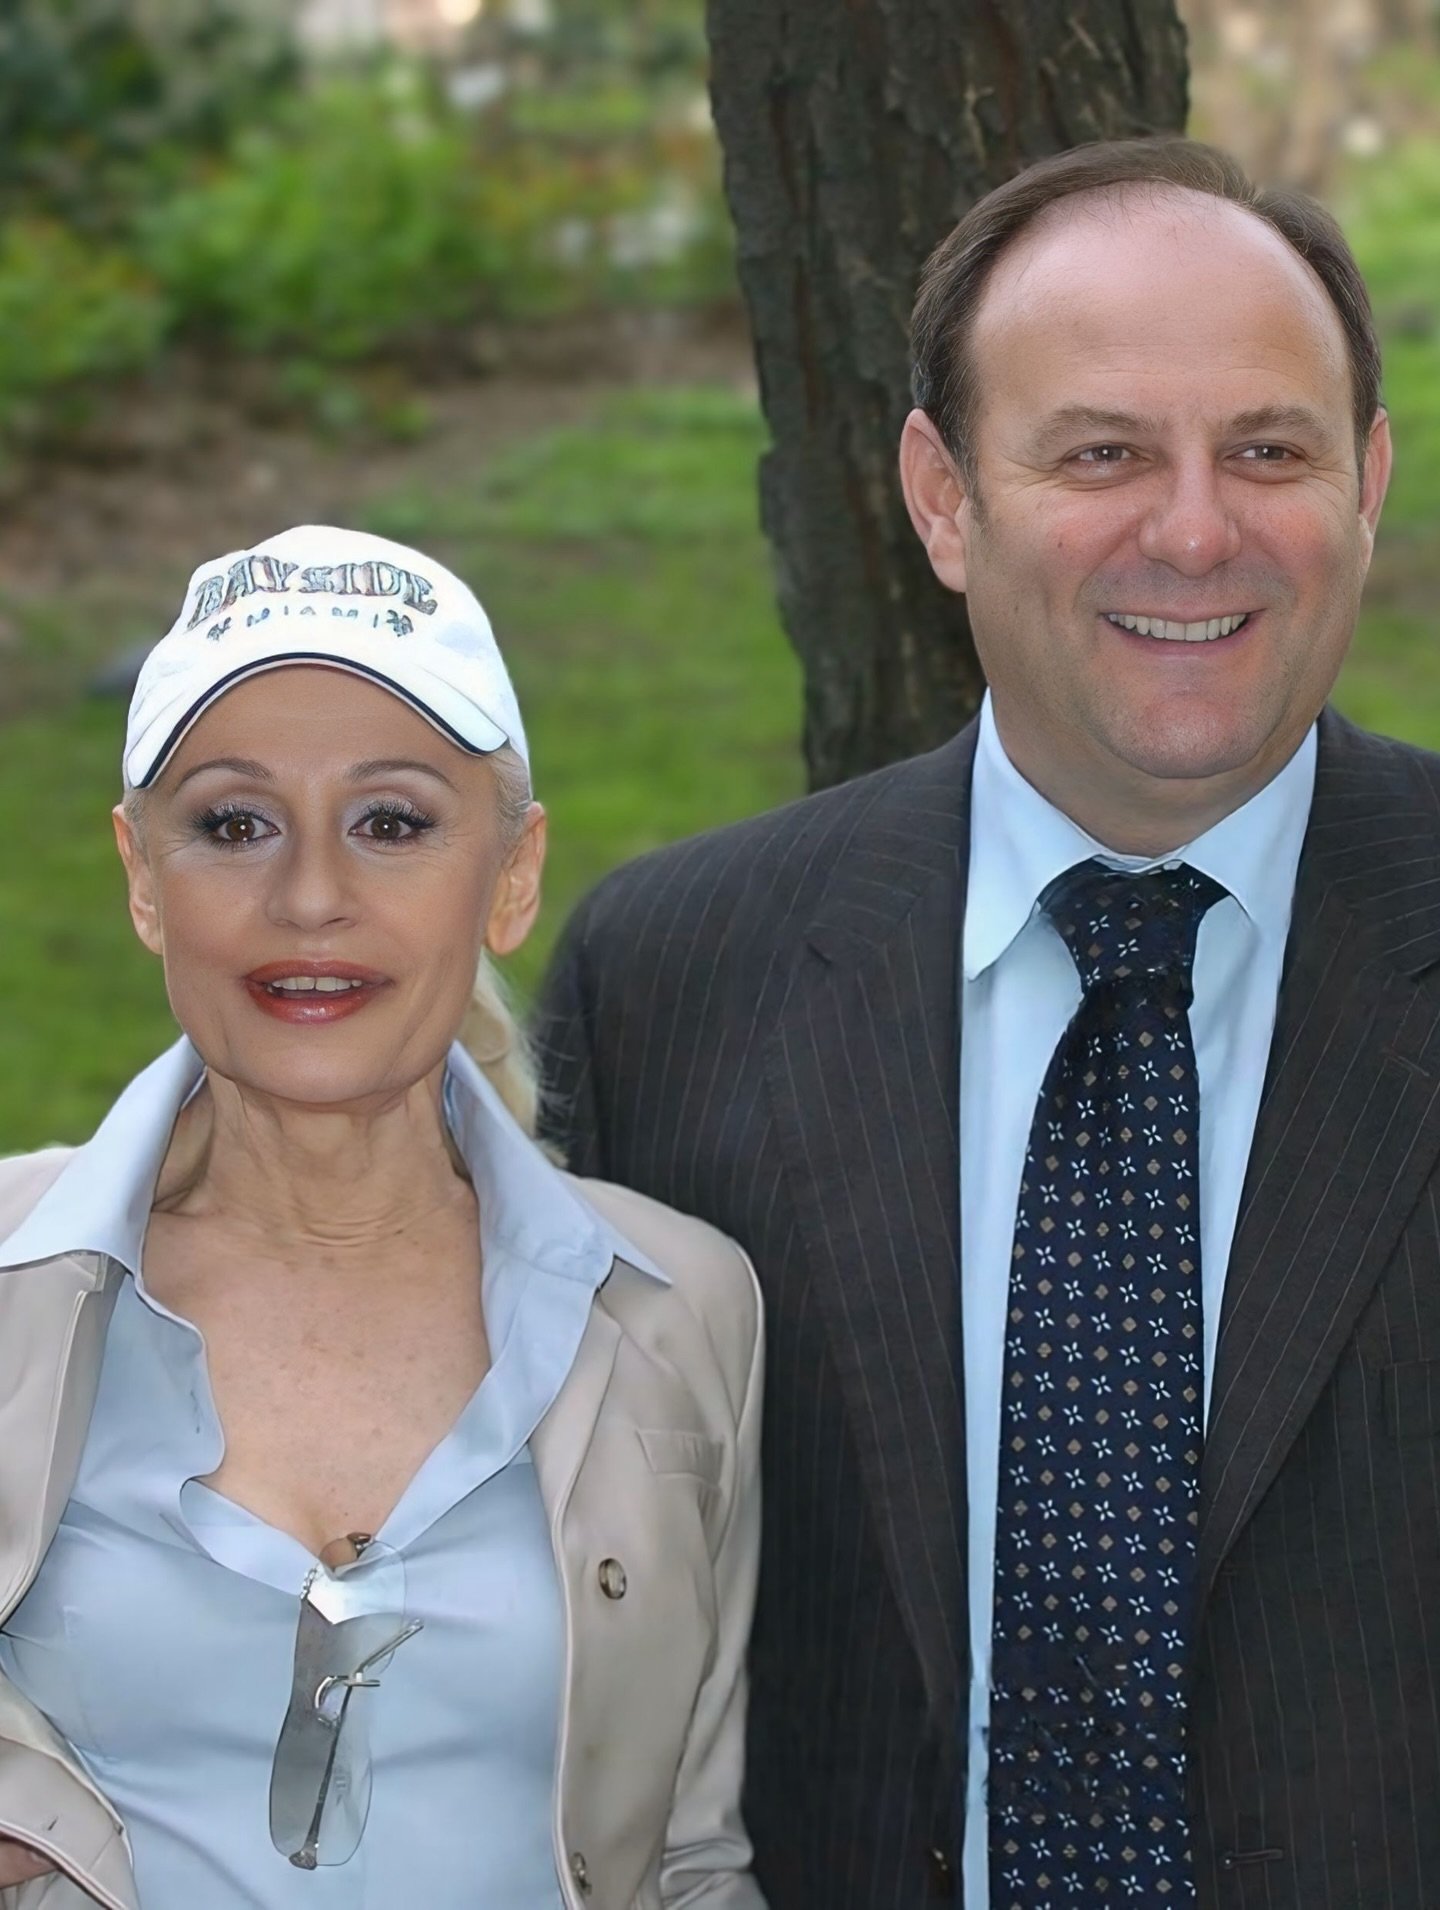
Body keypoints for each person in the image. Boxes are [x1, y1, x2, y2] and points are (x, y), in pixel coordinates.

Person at [536, 135, 1440, 1909]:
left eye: (1269, 450)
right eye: (1103, 453)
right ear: (944, 501)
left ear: (1370, 483)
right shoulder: (674, 983)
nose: (1197, 528)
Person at [0, 525, 765, 1910]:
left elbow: (693, 1859)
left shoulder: (675, 1309)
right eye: (233, 825)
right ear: (140, 877)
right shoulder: (13, 1282)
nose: (310, 897)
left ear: (513, 874)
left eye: (392, 823)